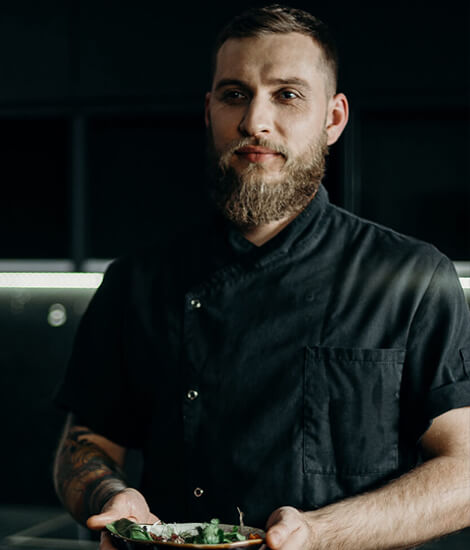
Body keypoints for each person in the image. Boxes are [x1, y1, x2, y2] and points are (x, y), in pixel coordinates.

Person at [53, 4, 470, 549]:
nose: (255, 121)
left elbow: (464, 473)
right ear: (209, 111)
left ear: (334, 119)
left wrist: (319, 533)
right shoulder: (138, 281)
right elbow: (83, 445)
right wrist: (110, 498)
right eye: (235, 94)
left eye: (287, 95)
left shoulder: (412, 278)